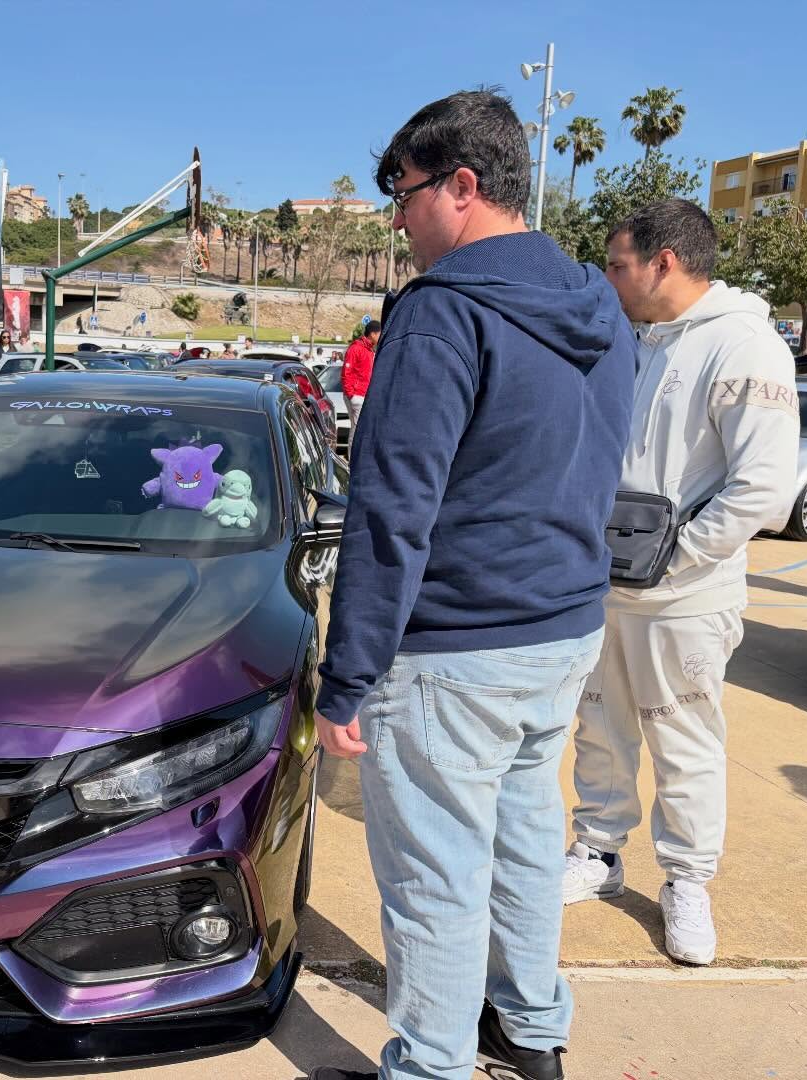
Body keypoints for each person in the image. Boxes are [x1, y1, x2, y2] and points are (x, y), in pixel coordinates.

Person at [310, 90, 635, 1080]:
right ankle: (533, 1036)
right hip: (563, 631)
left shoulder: (441, 316)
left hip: (454, 649)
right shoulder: (601, 308)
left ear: (462, 186)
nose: (397, 218)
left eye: (403, 194)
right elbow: (603, 466)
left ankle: (432, 1069)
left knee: (435, 881)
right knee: (528, 847)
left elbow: (392, 509)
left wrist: (347, 675)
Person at [564, 199, 799, 966]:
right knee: (599, 725)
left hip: (685, 595)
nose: (609, 276)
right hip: (611, 583)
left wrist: (679, 554)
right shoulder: (644, 342)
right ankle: (598, 851)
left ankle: (688, 881)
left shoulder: (745, 346)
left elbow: (760, 488)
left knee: (685, 740)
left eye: (619, 262)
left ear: (664, 261)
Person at [342, 320, 381, 457]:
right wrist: (351, 394)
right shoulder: (356, 348)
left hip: (363, 395)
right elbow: (346, 373)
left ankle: (356, 459)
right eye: (379, 334)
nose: (380, 337)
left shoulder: (369, 350)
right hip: (357, 396)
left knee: (359, 428)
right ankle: (353, 460)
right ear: (373, 334)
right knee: (357, 429)